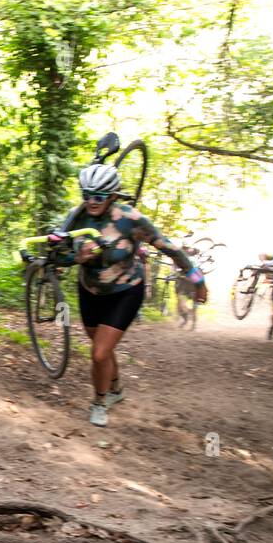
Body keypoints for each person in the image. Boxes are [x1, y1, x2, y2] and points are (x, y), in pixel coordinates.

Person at [57, 163, 207, 427]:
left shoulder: (130, 218)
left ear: (113, 196)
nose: (91, 202)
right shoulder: (75, 217)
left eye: (99, 197)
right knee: (102, 349)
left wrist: (197, 280)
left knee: (100, 353)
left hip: (126, 290)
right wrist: (75, 257)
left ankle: (99, 402)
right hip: (90, 290)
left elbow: (169, 248)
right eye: (86, 195)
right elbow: (59, 256)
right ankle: (116, 389)